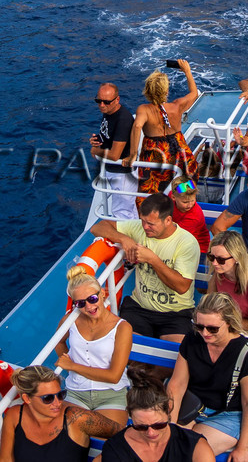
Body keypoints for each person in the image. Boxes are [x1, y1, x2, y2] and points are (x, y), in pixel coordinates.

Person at [89, 193, 200, 342]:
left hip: (176, 313)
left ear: (168, 220)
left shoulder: (187, 243)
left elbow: (182, 286)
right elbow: (98, 227)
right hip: (139, 308)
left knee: (172, 359)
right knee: (129, 356)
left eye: (151, 224)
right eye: (142, 221)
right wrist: (124, 238)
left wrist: (152, 259)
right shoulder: (139, 228)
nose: (145, 227)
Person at [167, 293, 248, 462]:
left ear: (229, 323)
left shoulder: (246, 354)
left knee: (186, 452)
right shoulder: (192, 339)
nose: (204, 333)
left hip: (226, 416)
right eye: (199, 326)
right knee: (165, 445)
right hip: (192, 406)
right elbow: (177, 384)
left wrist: (242, 448)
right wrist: (170, 427)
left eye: (212, 328)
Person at [54, 267, 132, 424]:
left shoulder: (122, 328)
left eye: (92, 299)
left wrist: (72, 366)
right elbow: (58, 341)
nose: (88, 307)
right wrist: (67, 358)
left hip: (111, 393)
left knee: (105, 440)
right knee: (66, 438)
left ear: (102, 293)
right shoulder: (70, 320)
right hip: (76, 392)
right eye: (81, 303)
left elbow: (113, 376)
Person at [0, 364, 120, 462]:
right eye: (48, 398)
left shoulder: (77, 418)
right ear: (27, 399)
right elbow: (5, 459)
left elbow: (126, 434)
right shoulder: (15, 415)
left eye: (60, 395)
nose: (58, 403)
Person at [99, 370, 214, 462]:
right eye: (141, 426)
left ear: (168, 409)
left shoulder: (194, 446)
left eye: (159, 425)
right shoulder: (116, 448)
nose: (151, 433)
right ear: (130, 416)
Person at [131, 64, 199, 198]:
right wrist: (187, 71)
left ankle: (155, 210)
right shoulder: (177, 105)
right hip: (178, 147)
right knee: (191, 176)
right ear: (166, 91)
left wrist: (133, 154)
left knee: (150, 187)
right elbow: (194, 93)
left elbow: (137, 126)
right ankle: (176, 195)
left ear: (148, 90)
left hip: (156, 151)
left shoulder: (144, 109)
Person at [91, 82, 138, 220]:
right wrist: (96, 141)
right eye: (98, 101)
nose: (102, 105)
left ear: (117, 99)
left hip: (122, 174)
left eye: (106, 102)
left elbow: (115, 155)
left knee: (122, 213)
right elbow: (107, 135)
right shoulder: (108, 112)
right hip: (113, 171)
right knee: (128, 210)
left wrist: (95, 151)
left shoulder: (122, 119)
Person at [167, 177, 211, 254]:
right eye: (185, 202)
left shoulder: (194, 216)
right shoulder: (171, 196)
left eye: (193, 200)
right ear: (173, 197)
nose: (190, 205)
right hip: (178, 240)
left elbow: (179, 236)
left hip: (197, 249)